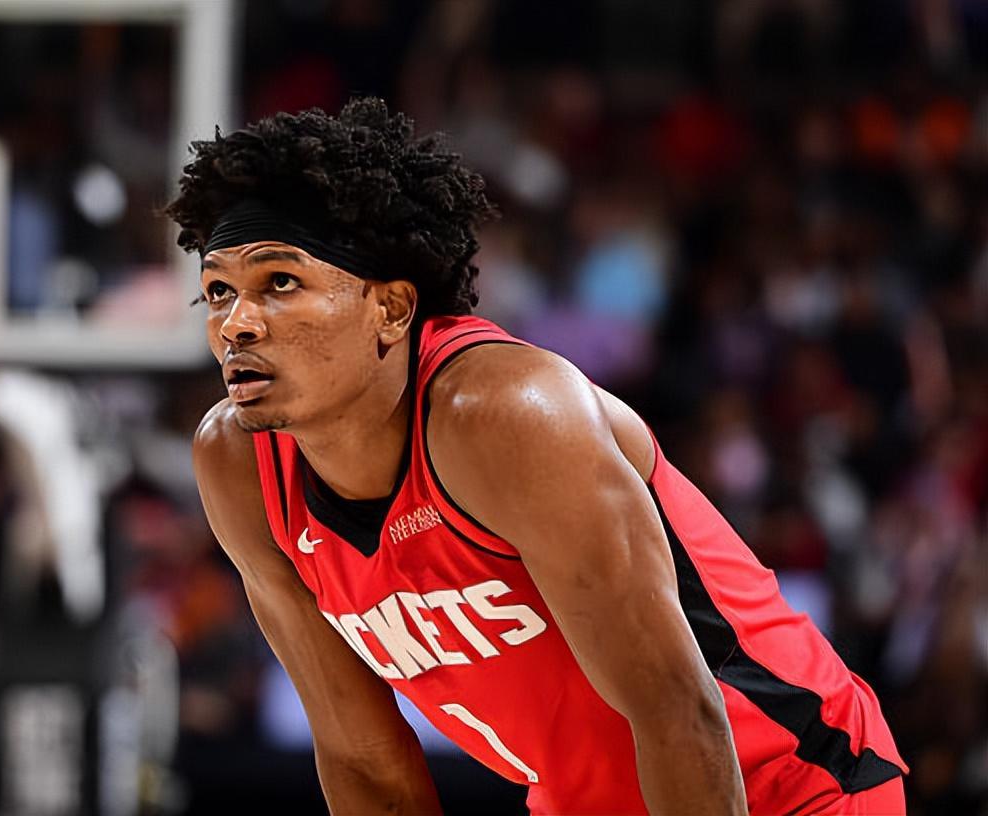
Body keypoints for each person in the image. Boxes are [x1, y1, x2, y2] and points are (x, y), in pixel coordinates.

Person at [170, 98, 906, 815]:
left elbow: (676, 706)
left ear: (390, 309)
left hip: (788, 778)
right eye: (219, 291)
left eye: (281, 283)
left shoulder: (506, 415)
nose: (237, 322)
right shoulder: (237, 464)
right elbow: (363, 758)